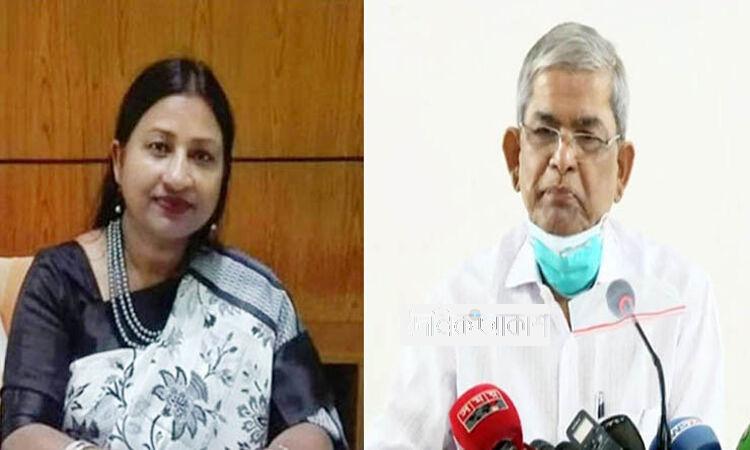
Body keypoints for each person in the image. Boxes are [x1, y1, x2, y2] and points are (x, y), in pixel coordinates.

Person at [366, 22, 723, 448]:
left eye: (588, 137)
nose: (563, 158)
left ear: (622, 169)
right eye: (543, 133)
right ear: (514, 157)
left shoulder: (681, 299)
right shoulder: (454, 306)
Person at [1, 58, 347, 450]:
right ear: (119, 160)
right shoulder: (59, 280)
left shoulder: (257, 297)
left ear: (223, 176)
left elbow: (315, 424)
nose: (179, 176)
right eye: (160, 148)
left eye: (202, 156)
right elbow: (21, 434)